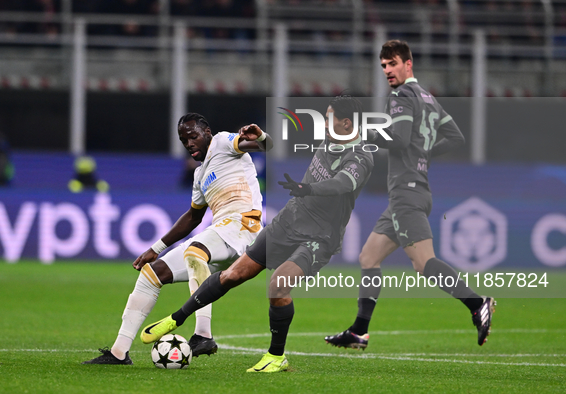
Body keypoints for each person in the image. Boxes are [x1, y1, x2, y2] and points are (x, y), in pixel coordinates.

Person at [139, 96, 374, 373]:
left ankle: (276, 356)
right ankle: (176, 319)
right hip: (289, 221)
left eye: (329, 119)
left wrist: (308, 189)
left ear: (346, 124)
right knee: (231, 275)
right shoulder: (330, 138)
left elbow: (342, 184)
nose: (323, 124)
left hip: (319, 237)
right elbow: (266, 145)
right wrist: (262, 137)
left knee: (278, 285)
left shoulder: (361, 156)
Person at [325, 40, 495, 350]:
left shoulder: (401, 95)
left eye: (392, 64)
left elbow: (400, 139)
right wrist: (426, 153)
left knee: (423, 263)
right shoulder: (428, 98)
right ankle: (358, 332)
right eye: (384, 66)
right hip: (411, 192)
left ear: (408, 64)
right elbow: (454, 136)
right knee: (369, 257)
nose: (388, 70)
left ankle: (477, 302)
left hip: (406, 194)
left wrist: (361, 134)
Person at [83, 113, 272, 365]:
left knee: (195, 251)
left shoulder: (224, 142)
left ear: (207, 132)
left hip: (243, 226)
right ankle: (119, 353)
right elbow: (193, 218)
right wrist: (156, 248)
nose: (189, 143)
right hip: (222, 235)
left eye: (193, 136)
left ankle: (203, 334)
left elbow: (266, 146)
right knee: (152, 274)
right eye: (184, 140)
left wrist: (259, 135)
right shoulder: (199, 175)